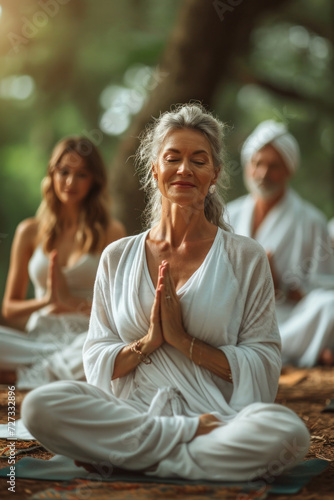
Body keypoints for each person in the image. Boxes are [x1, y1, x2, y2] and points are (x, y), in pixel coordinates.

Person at [21, 104, 309, 482]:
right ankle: (180, 449)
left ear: (215, 174)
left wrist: (184, 342)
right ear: (154, 168)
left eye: (199, 161)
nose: (184, 170)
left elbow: (264, 362)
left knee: (286, 431)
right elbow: (95, 357)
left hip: (214, 416)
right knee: (39, 406)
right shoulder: (117, 256)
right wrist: (149, 342)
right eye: (172, 158)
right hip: (135, 414)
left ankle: (140, 458)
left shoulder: (245, 256)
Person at [0, 136, 126, 388]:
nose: (70, 182)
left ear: (94, 181)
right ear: (52, 174)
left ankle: (23, 377)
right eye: (64, 171)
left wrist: (71, 304)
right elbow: (9, 309)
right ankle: (50, 372)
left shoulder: (111, 232)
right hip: (36, 340)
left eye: (81, 174)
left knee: (110, 348)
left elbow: (120, 313)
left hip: (84, 339)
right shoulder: (29, 231)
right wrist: (46, 302)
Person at [227, 120, 334, 367]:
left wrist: (280, 287)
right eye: (257, 164)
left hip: (287, 319)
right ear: (247, 167)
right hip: (234, 315)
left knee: (329, 306)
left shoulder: (311, 220)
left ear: (289, 169)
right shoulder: (227, 215)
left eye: (273, 166)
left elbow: (324, 287)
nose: (263, 173)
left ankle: (261, 351)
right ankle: (296, 351)